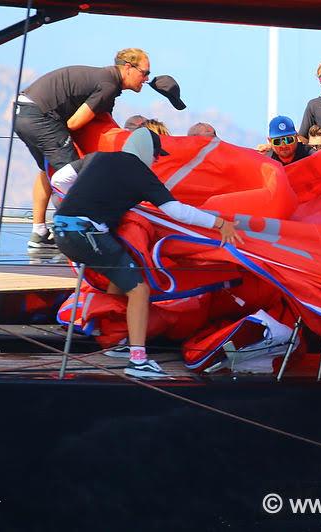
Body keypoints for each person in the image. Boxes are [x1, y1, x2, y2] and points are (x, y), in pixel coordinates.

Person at [52, 128, 241, 378]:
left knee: (121, 275)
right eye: (156, 156)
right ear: (145, 151)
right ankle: (138, 361)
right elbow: (177, 212)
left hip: (61, 230)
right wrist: (219, 224)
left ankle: (116, 338)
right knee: (139, 289)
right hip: (87, 234)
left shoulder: (96, 158)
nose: (155, 161)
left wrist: (90, 199)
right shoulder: (139, 172)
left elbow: (58, 180)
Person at [14, 48, 152, 248]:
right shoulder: (108, 84)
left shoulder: (105, 79)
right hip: (41, 116)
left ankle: (39, 232)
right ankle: (72, 236)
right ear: (128, 68)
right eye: (145, 72)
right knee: (74, 177)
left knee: (48, 170)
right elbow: (74, 123)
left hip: (23, 112)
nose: (146, 79)